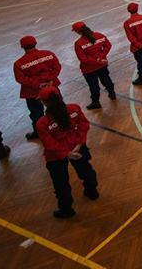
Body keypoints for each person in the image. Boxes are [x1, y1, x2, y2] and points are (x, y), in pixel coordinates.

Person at [36, 88, 98, 218]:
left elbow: (49, 143)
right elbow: (84, 125)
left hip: (56, 156)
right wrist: (79, 144)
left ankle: (66, 209)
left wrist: (66, 153)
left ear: (44, 103)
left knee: (61, 183)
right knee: (86, 170)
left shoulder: (42, 123)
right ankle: (92, 191)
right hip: (77, 147)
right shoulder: (74, 109)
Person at [13, 35, 61, 139]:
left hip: (33, 92)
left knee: (36, 113)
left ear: (22, 47)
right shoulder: (49, 54)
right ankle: (62, 126)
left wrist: (38, 85)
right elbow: (57, 67)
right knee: (58, 108)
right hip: (52, 87)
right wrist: (50, 80)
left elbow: (21, 79)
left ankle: (39, 132)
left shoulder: (19, 63)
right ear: (35, 43)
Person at [72, 21, 116, 110]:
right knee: (106, 80)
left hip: (89, 69)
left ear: (78, 32)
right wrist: (101, 57)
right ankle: (112, 94)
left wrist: (96, 61)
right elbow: (108, 45)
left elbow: (83, 59)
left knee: (93, 86)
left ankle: (96, 102)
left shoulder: (79, 43)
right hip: (102, 65)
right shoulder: (99, 35)